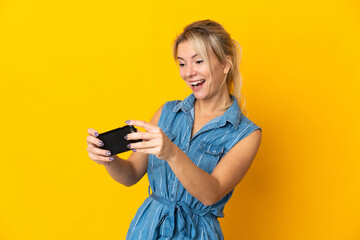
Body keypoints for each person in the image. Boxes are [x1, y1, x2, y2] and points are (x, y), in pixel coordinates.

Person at [86, 19, 262, 240]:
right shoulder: (165, 114)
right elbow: (131, 174)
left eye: (199, 61)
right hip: (148, 230)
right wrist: (107, 159)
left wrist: (171, 152)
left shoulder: (245, 134)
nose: (189, 72)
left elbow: (211, 193)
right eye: (182, 63)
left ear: (226, 64)